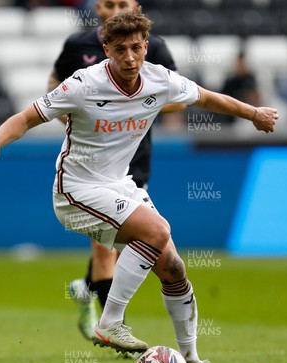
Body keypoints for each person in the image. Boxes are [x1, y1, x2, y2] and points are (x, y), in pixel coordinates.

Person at [0, 10, 277, 363]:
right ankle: (109, 320)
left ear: (146, 47)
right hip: (76, 189)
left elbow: (206, 98)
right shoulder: (83, 84)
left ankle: (193, 361)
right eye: (120, 50)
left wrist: (253, 114)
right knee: (157, 230)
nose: (130, 57)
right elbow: (27, 117)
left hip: (121, 185)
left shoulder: (158, 79)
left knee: (173, 268)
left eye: (136, 48)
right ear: (106, 50)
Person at [48, 0, 186, 342]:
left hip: (133, 159)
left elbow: (180, 97)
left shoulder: (154, 48)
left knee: (131, 242)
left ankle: (90, 292)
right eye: (109, 4)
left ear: (136, 7)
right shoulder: (78, 46)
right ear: (98, 9)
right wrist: (77, 115)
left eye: (122, 4)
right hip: (93, 160)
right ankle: (111, 329)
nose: (115, 10)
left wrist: (133, 105)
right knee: (106, 244)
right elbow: (53, 86)